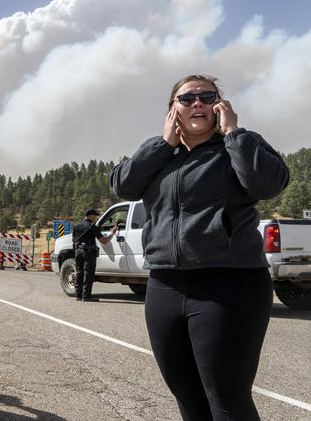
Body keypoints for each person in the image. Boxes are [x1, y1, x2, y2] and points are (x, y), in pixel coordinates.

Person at [110, 75, 289, 420]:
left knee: (227, 399)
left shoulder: (239, 144)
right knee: (188, 398)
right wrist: (162, 145)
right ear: (172, 110)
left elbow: (267, 183)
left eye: (207, 97)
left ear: (219, 106)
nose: (197, 103)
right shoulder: (160, 153)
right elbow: (124, 185)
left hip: (230, 285)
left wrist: (234, 133)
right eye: (186, 98)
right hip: (165, 286)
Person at [71, 209, 118, 302]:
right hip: (88, 252)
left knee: (79, 272)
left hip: (78, 251)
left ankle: (78, 295)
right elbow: (104, 241)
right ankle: (86, 296)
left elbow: (73, 239)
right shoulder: (92, 227)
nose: (96, 217)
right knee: (88, 273)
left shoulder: (76, 225)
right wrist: (112, 234)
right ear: (90, 216)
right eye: (95, 215)